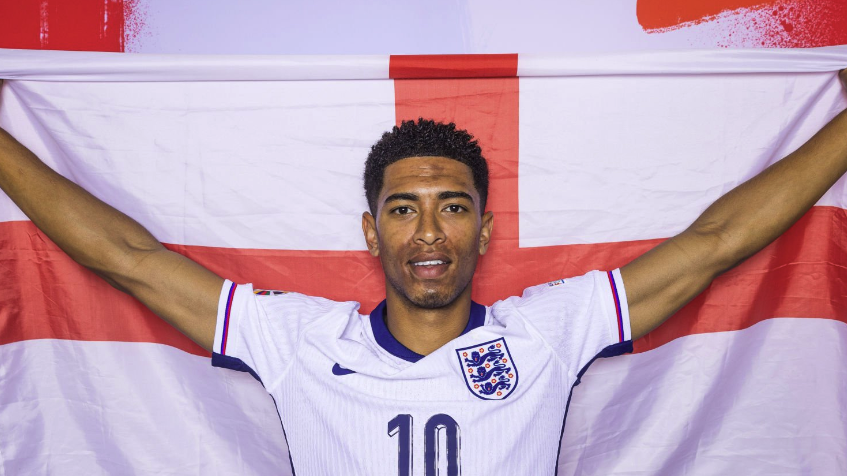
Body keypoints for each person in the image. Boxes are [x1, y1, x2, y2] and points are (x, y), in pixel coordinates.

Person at [0, 70, 846, 474]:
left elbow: (715, 242)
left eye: (452, 205)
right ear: (371, 232)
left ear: (485, 228)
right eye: (404, 208)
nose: (428, 230)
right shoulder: (297, 339)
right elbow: (126, 258)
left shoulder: (548, 331)